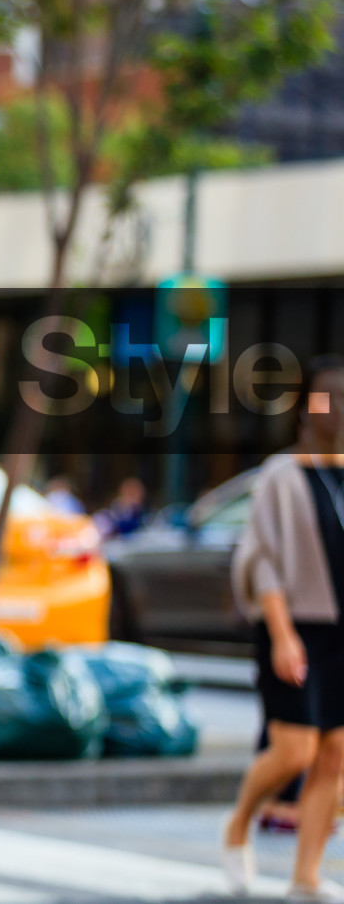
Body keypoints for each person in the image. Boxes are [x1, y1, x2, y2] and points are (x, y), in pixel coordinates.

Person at [225, 353, 344, 902]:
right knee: (295, 751)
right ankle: (239, 823)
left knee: (334, 756)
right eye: (328, 394)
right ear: (305, 405)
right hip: (294, 627)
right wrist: (282, 633)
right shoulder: (282, 474)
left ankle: (306, 877)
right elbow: (262, 558)